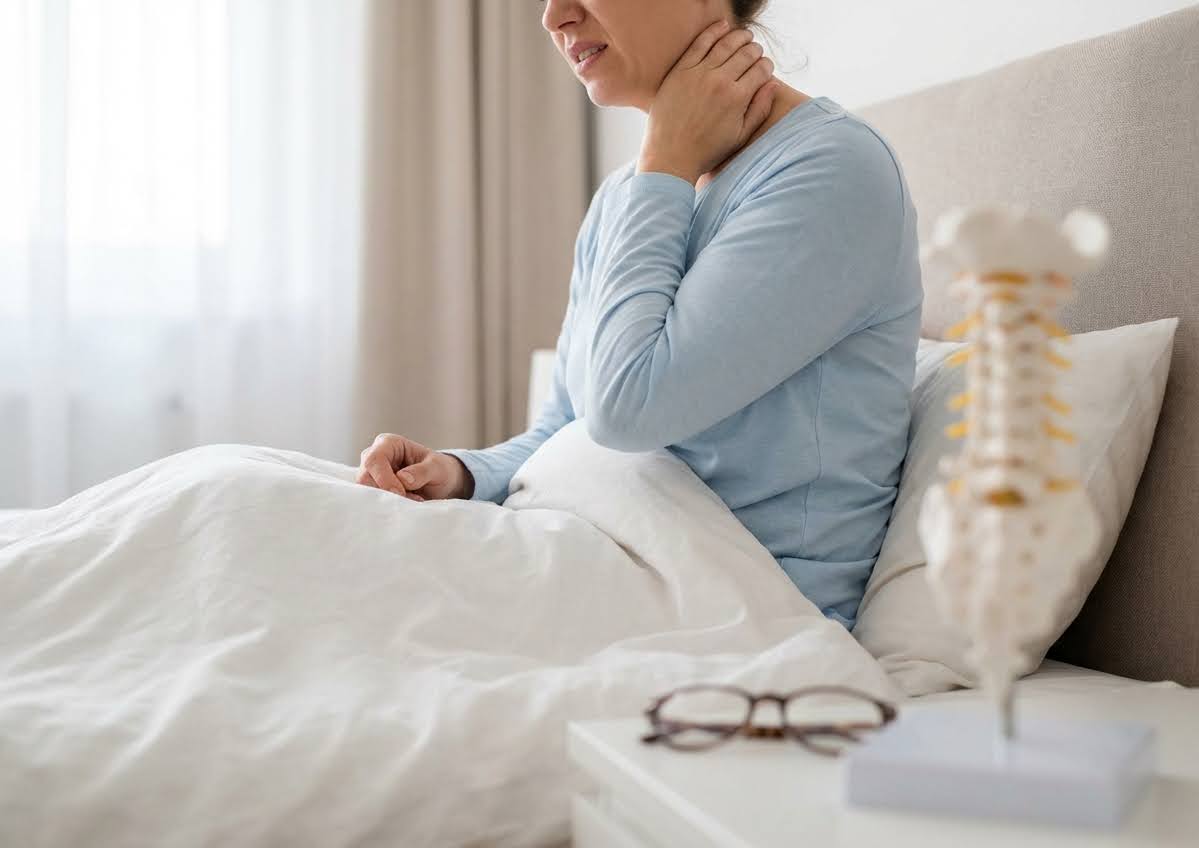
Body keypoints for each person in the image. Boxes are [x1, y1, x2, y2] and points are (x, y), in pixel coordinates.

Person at [357, 0, 923, 630]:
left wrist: (663, 164)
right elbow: (567, 425)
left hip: (739, 612)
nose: (554, 17)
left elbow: (627, 411)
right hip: (601, 561)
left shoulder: (832, 169)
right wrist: (460, 473)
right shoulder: (630, 195)